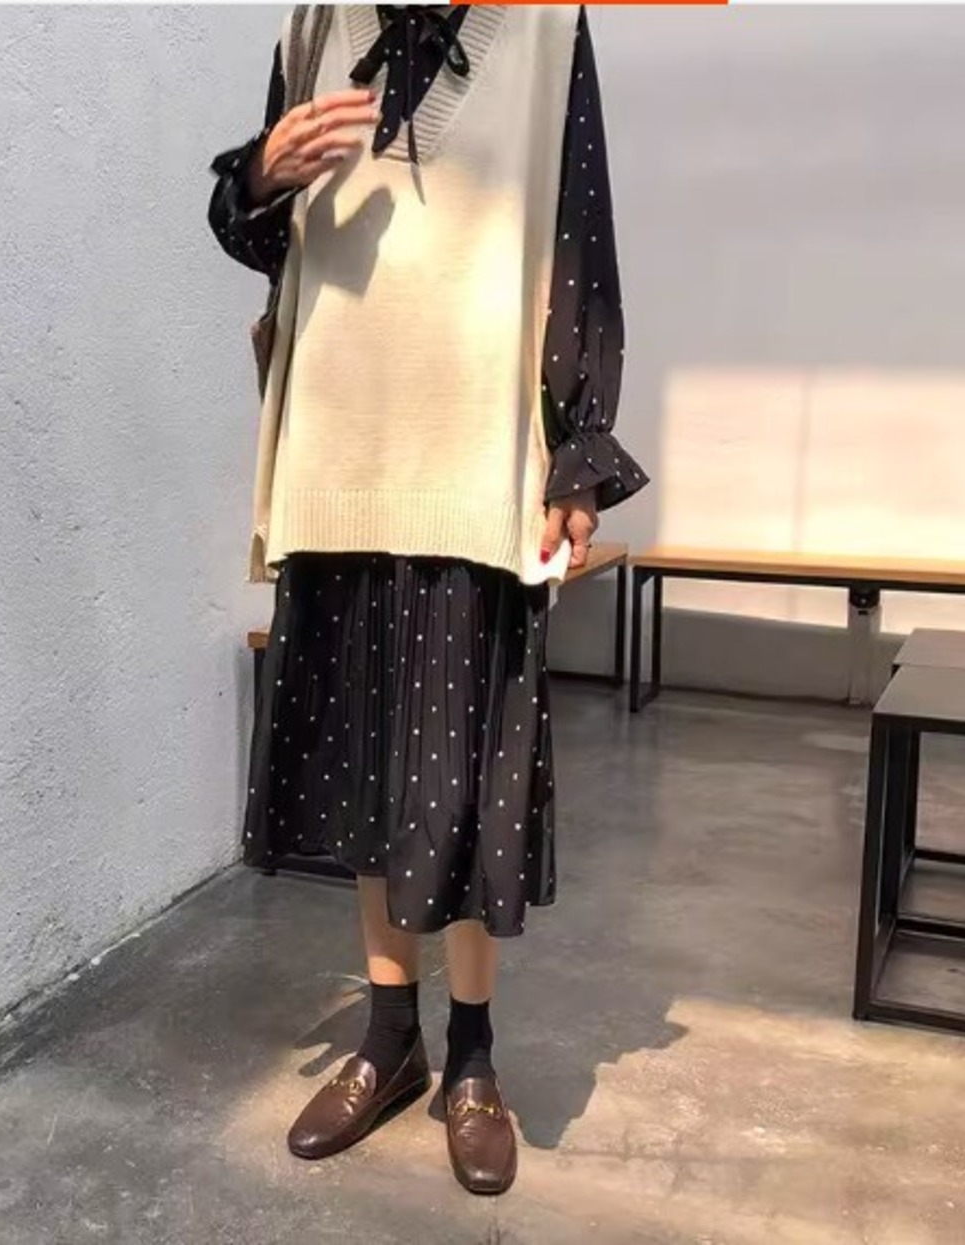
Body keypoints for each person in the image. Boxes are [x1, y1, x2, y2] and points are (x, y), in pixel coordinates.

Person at [208, 3, 646, 1196]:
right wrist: (259, 174)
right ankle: (388, 1039)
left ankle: (473, 1058)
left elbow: (580, 242)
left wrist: (576, 451)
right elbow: (258, 235)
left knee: (460, 782)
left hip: (471, 457)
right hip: (336, 455)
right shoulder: (317, 24)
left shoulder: (544, 30)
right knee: (367, 772)